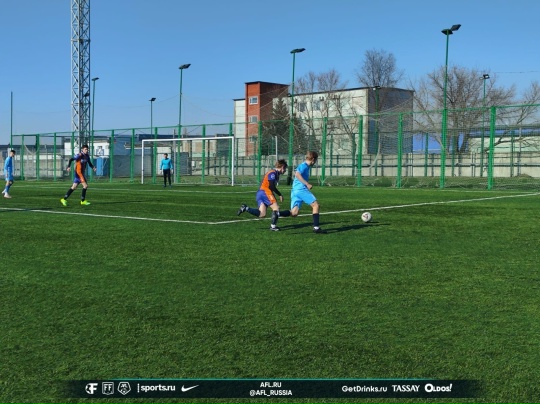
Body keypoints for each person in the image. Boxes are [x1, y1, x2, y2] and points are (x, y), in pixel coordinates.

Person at [237, 159, 291, 231]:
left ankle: (245, 208)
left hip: (260, 193)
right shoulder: (273, 173)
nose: (285, 170)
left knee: (262, 214)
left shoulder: (275, 174)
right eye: (285, 168)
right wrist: (280, 194)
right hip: (265, 192)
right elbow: (271, 185)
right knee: (276, 208)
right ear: (282, 167)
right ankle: (273, 227)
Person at [290, 151, 324, 233]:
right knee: (315, 205)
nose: (315, 162)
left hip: (295, 190)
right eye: (315, 160)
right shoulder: (304, 166)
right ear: (313, 159)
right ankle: (316, 228)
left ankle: (277, 213)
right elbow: (297, 174)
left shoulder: (305, 166)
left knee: (294, 213)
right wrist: (307, 184)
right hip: (301, 190)